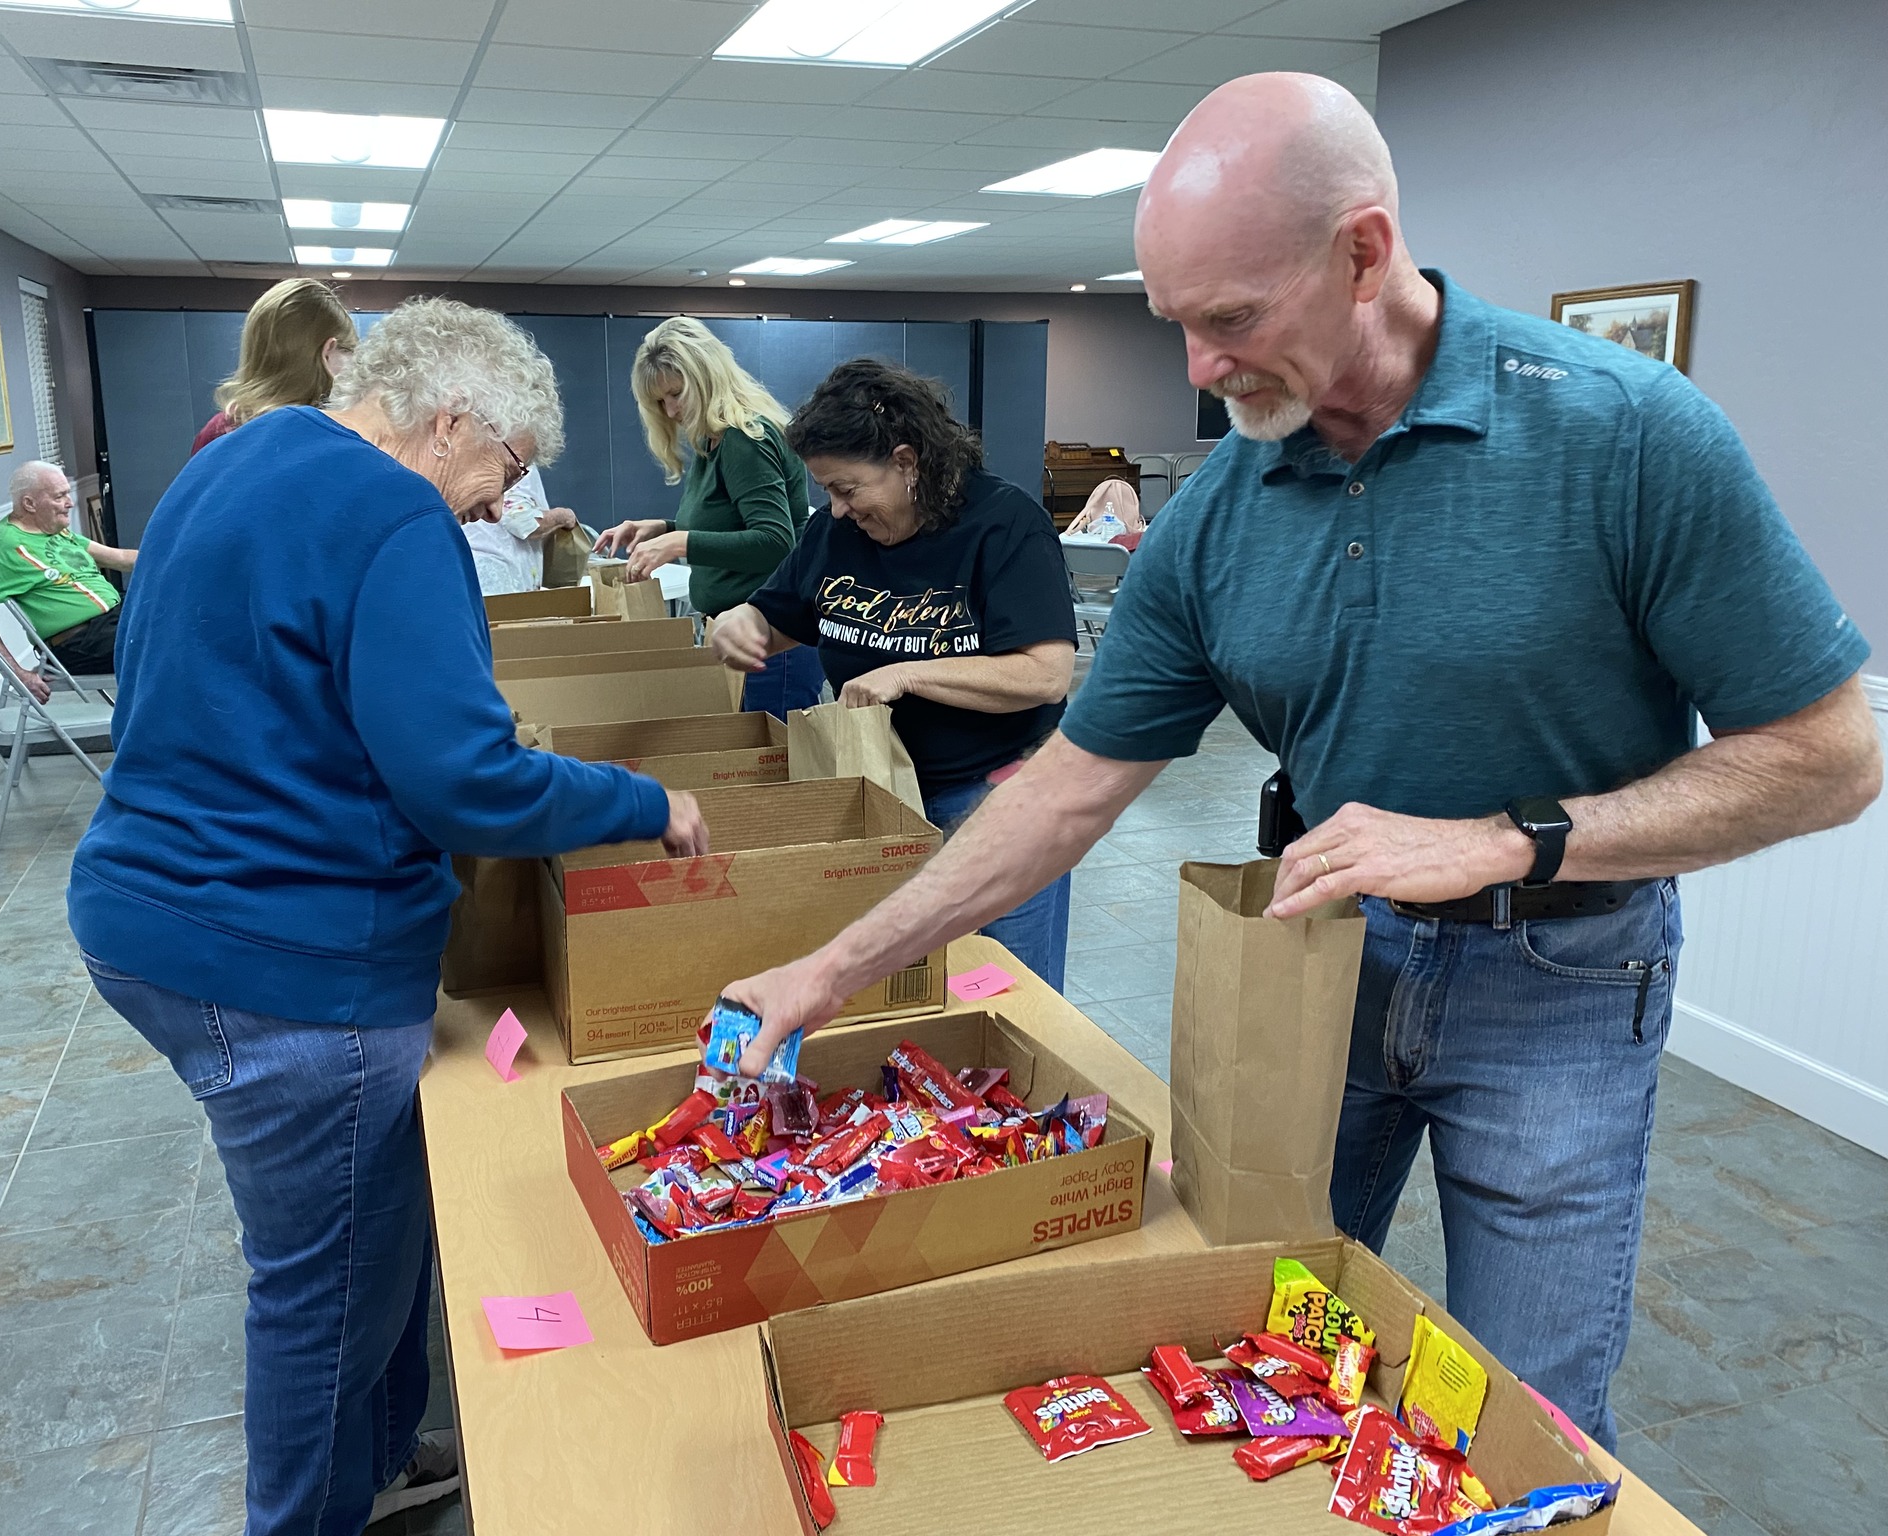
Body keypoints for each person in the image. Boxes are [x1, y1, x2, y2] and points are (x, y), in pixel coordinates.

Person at [714, 73, 1880, 1450]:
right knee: (1259, 1331)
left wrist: (1509, 838)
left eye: (1231, 319)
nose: (1200, 370)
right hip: (1319, 953)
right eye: (1176, 325)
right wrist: (834, 968)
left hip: (1559, 976)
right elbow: (1070, 787)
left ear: (1365, 253)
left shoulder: (1624, 437)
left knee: (1527, 1414)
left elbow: (1832, 757)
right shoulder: (1221, 510)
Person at [68, 297, 709, 1536]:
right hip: (276, 945)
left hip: (150, 901)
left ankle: (378, 1467)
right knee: (327, 1291)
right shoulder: (396, 512)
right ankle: (311, 1513)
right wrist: (644, 799)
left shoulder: (236, 454)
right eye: (504, 470)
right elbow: (461, 778)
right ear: (449, 420)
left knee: (370, 1240)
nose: (495, 503)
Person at [708, 359, 1078, 986]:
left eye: (848, 488)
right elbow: (776, 617)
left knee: (1003, 989)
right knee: (902, 988)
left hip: (994, 800)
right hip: (879, 796)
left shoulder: (1004, 524)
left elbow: (1045, 674)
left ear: (907, 464)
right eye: (825, 490)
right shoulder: (832, 533)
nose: (836, 508)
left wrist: (910, 673)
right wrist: (737, 622)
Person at [593, 316, 827, 714]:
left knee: (773, 767)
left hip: (772, 641)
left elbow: (774, 542)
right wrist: (664, 529)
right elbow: (729, 526)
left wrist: (680, 542)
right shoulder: (712, 440)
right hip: (740, 632)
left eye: (676, 393)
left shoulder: (742, 439)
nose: (670, 410)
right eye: (659, 402)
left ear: (706, 376)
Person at [0, 459, 136, 696]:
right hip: (84, 642)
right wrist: (18, 673)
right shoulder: (3, 546)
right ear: (30, 503)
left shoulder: (55, 531)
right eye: (59, 496)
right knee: (173, 640)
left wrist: (177, 554)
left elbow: (121, 558)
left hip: (115, 619)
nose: (69, 503)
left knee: (185, 612)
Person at [192, 276, 357, 453]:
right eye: (350, 352)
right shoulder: (341, 439)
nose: (354, 366)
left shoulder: (216, 433)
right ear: (328, 353)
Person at [464, 461, 580, 595]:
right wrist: (564, 517)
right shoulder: (517, 458)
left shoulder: (472, 453)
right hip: (501, 576)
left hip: (477, 570)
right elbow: (521, 521)